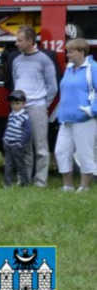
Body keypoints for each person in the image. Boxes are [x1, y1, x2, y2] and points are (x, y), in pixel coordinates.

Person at [11, 25, 58, 187]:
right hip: (20, 109)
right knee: (24, 146)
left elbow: (52, 86)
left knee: (41, 147)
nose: (16, 43)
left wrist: (45, 104)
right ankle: (24, 180)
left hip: (37, 107)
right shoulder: (16, 60)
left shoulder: (44, 60)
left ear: (30, 41)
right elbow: (16, 81)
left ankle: (40, 181)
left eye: (20, 40)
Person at [54, 38, 96, 193]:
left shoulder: (93, 68)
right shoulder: (69, 68)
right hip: (66, 120)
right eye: (67, 51)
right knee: (61, 151)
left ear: (81, 52)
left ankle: (84, 187)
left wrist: (92, 110)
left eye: (71, 51)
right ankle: (68, 186)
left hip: (84, 120)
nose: (68, 54)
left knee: (85, 153)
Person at [3, 90, 32, 187]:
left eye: (17, 103)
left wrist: (21, 144)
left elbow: (28, 132)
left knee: (20, 164)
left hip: (17, 144)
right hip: (8, 143)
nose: (15, 105)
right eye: (12, 103)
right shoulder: (11, 114)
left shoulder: (24, 117)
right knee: (8, 164)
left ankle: (24, 183)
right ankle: (8, 183)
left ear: (24, 104)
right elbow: (9, 126)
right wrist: (5, 138)